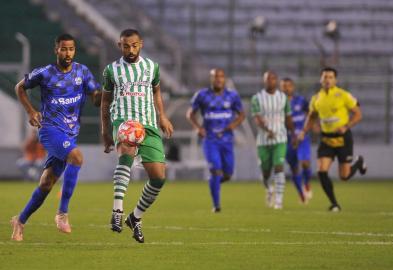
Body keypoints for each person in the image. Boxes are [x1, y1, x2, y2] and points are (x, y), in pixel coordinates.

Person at [11, 34, 101, 241]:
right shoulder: (45, 73)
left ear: (74, 50)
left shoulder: (82, 72)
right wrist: (31, 111)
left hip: (70, 133)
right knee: (77, 157)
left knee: (46, 183)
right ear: (56, 50)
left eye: (71, 49)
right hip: (49, 130)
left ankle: (20, 220)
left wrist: (102, 95)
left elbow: (95, 98)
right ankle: (62, 214)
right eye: (63, 49)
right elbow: (19, 87)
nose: (67, 53)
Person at [101, 29, 174, 243]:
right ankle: (117, 210)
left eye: (134, 45)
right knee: (127, 150)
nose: (130, 50)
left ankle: (135, 217)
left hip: (149, 124)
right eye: (126, 46)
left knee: (159, 178)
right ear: (119, 45)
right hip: (123, 122)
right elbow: (105, 102)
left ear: (140, 44)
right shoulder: (111, 70)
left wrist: (163, 117)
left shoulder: (152, 67)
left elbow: (156, 93)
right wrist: (105, 131)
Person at [298, 67, 367, 212]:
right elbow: (311, 117)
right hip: (327, 139)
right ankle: (334, 203)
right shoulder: (316, 98)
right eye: (325, 77)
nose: (327, 80)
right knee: (321, 171)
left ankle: (359, 162)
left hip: (343, 139)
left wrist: (346, 126)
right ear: (320, 80)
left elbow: (358, 114)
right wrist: (304, 131)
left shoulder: (343, 95)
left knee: (344, 176)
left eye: (330, 77)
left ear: (335, 80)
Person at [186, 68, 245, 213]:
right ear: (211, 79)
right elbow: (190, 114)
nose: (218, 79)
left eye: (221, 76)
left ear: (224, 79)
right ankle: (216, 205)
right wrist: (198, 128)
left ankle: (214, 181)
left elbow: (242, 114)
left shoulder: (232, 96)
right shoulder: (202, 95)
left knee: (228, 174)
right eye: (215, 76)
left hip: (227, 140)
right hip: (210, 139)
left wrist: (233, 125)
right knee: (215, 169)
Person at [251, 71, 295, 209]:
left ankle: (279, 201)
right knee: (266, 172)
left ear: (276, 81)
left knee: (279, 167)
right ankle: (269, 188)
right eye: (268, 79)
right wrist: (268, 130)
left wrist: (294, 134)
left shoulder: (283, 98)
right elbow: (257, 119)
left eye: (273, 78)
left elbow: (288, 118)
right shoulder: (257, 98)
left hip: (280, 139)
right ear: (264, 81)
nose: (271, 81)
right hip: (263, 141)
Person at [280, 78, 312, 203]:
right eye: (283, 86)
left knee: (305, 162)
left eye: (288, 86)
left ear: (292, 87)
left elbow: (310, 112)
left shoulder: (301, 100)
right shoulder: (278, 103)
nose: (286, 88)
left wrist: (312, 125)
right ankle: (301, 193)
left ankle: (307, 183)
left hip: (302, 137)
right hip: (286, 139)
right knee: (294, 168)